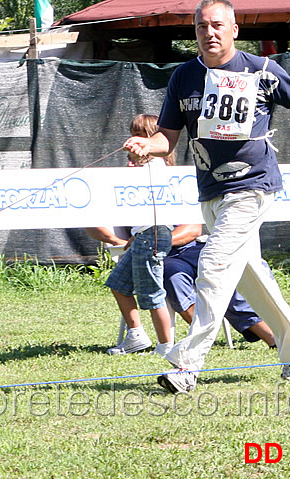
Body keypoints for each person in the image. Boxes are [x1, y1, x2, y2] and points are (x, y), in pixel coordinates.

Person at [123, 0, 290, 393]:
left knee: (213, 265)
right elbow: (167, 138)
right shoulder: (184, 77)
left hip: (254, 187)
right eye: (202, 26)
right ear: (195, 32)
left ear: (234, 30)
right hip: (211, 192)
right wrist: (146, 146)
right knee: (251, 277)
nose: (210, 32)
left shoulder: (262, 70)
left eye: (218, 25)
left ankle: (187, 365)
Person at [89, 114, 175, 358]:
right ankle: (136, 336)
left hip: (153, 235)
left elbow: (146, 162)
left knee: (152, 294)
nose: (132, 138)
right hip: (142, 235)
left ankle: (165, 347)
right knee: (118, 283)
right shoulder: (141, 165)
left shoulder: (156, 165)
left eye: (137, 134)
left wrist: (137, 156)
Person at [164, 224, 275, 347]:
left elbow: (193, 229)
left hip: (194, 247)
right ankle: (203, 336)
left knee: (221, 276)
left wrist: (153, 243)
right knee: (172, 277)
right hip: (164, 257)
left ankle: (270, 336)